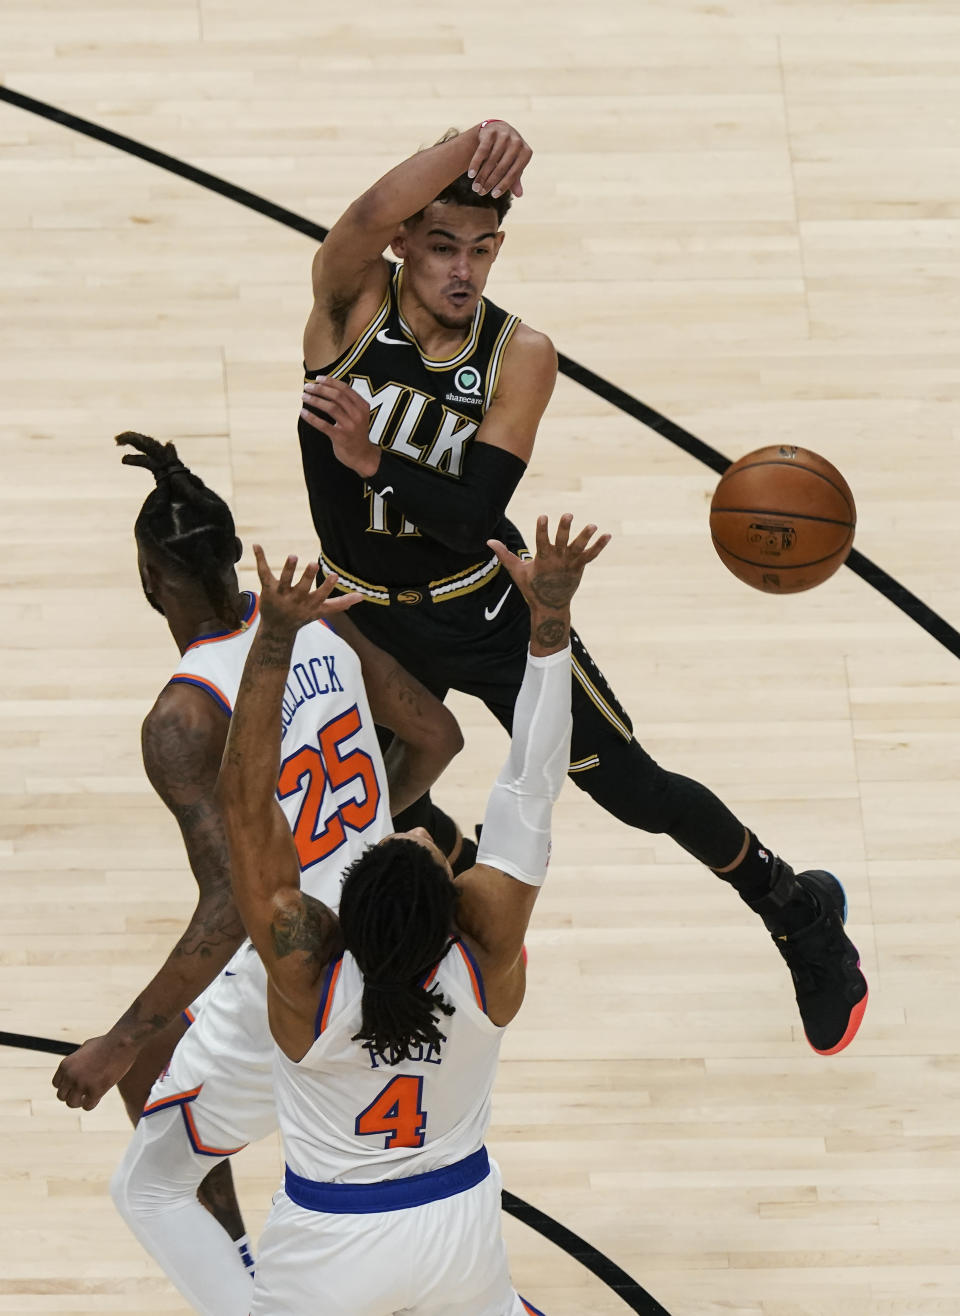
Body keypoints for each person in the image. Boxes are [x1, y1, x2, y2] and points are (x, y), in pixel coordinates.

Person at [296, 118, 868, 1058]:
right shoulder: (348, 312)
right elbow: (360, 212)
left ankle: (794, 907)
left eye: (480, 251)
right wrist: (474, 139)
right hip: (363, 615)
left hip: (483, 607)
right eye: (441, 245)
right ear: (403, 244)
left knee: (635, 790)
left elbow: (473, 505)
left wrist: (370, 460)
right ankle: (460, 878)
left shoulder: (520, 355)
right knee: (360, 803)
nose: (462, 271)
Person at [52, 432, 463, 1316]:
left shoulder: (184, 717)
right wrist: (367, 830)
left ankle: (240, 1286)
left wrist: (116, 1037)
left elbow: (227, 913)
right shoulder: (318, 619)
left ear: (150, 582)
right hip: (401, 930)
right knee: (159, 1068)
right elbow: (439, 735)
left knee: (146, 1176)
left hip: (298, 961)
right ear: (236, 553)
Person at [217, 512, 606, 1315]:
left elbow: (246, 808)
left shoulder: (305, 974)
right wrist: (550, 623)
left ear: (342, 917)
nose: (426, 831)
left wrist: (274, 643)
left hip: (328, 1243)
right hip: (457, 1232)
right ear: (454, 906)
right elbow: (532, 782)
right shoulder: (486, 956)